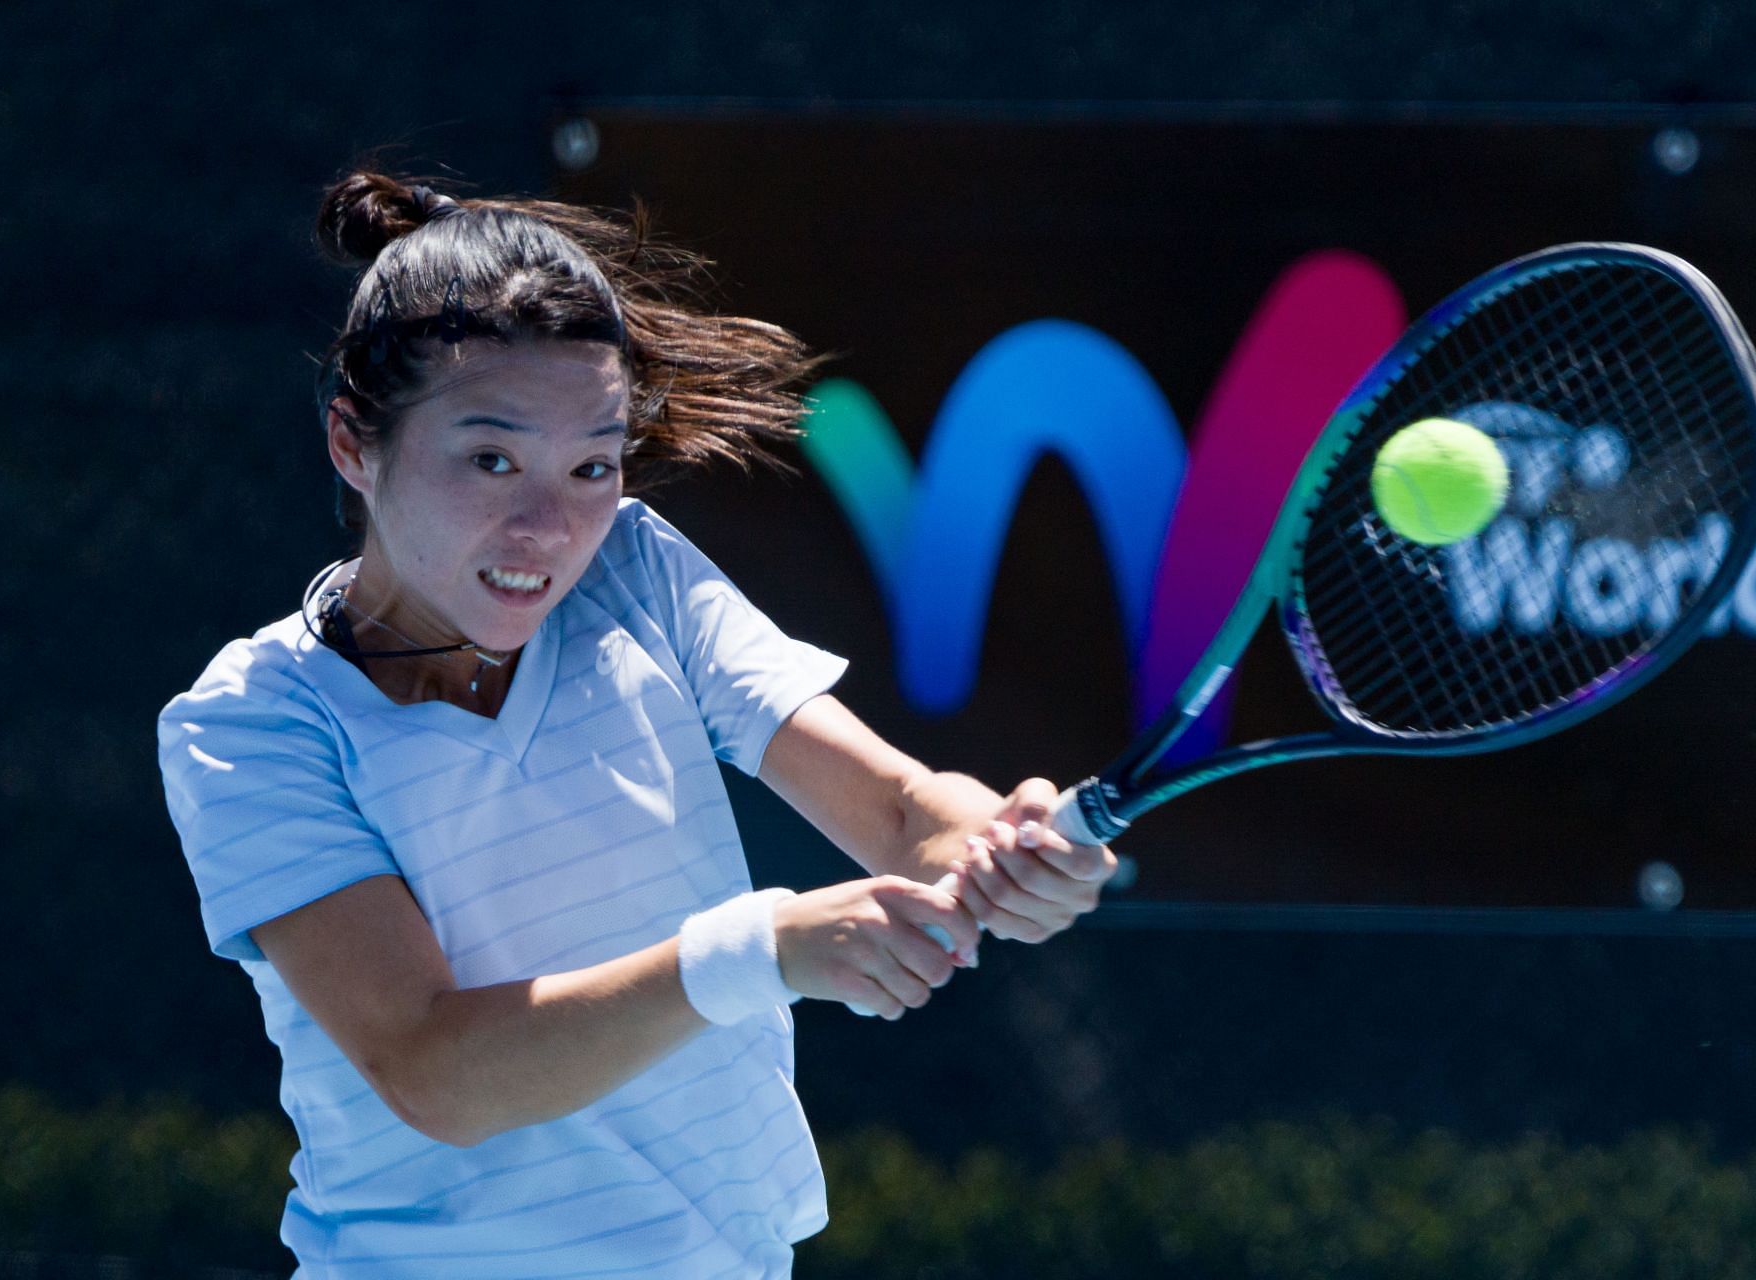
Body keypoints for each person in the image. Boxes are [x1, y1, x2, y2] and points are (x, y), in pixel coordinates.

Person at [155, 170, 1117, 1278]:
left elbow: (900, 806)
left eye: (593, 465)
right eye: (490, 458)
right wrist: (759, 949)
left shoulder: (634, 570)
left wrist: (999, 847)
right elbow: (434, 1068)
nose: (548, 525)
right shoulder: (254, 722)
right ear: (351, 444)